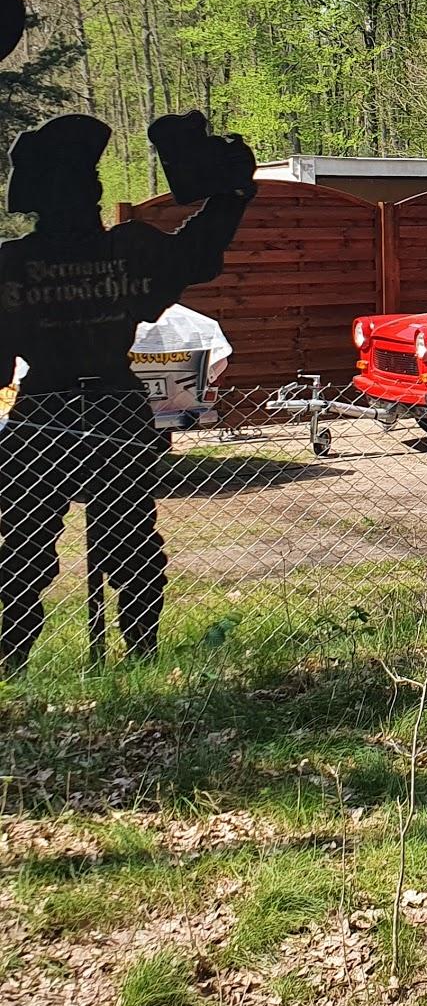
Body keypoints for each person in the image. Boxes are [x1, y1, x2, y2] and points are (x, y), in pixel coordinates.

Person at [0, 113, 255, 675]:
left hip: (44, 416)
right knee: (120, 547)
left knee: (26, 551)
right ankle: (129, 661)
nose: (89, 193)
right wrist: (232, 192)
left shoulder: (12, 266)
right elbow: (199, 252)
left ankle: (17, 667)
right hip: (112, 414)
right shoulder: (129, 251)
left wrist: (233, 192)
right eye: (84, 182)